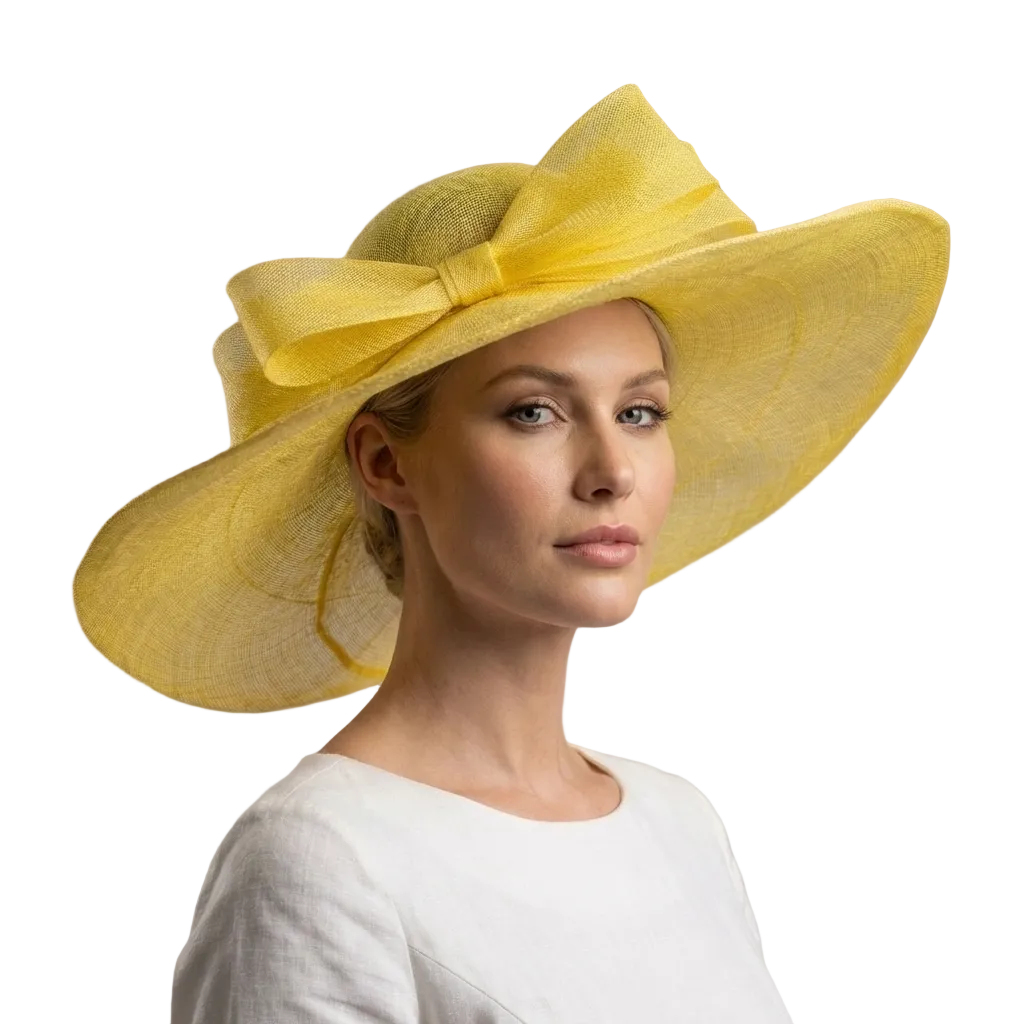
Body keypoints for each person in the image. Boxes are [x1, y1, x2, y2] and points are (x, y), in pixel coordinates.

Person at [73, 83, 949, 1022]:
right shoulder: (323, 858)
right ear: (384, 461)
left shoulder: (677, 821)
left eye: (640, 412)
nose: (613, 469)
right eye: (534, 411)